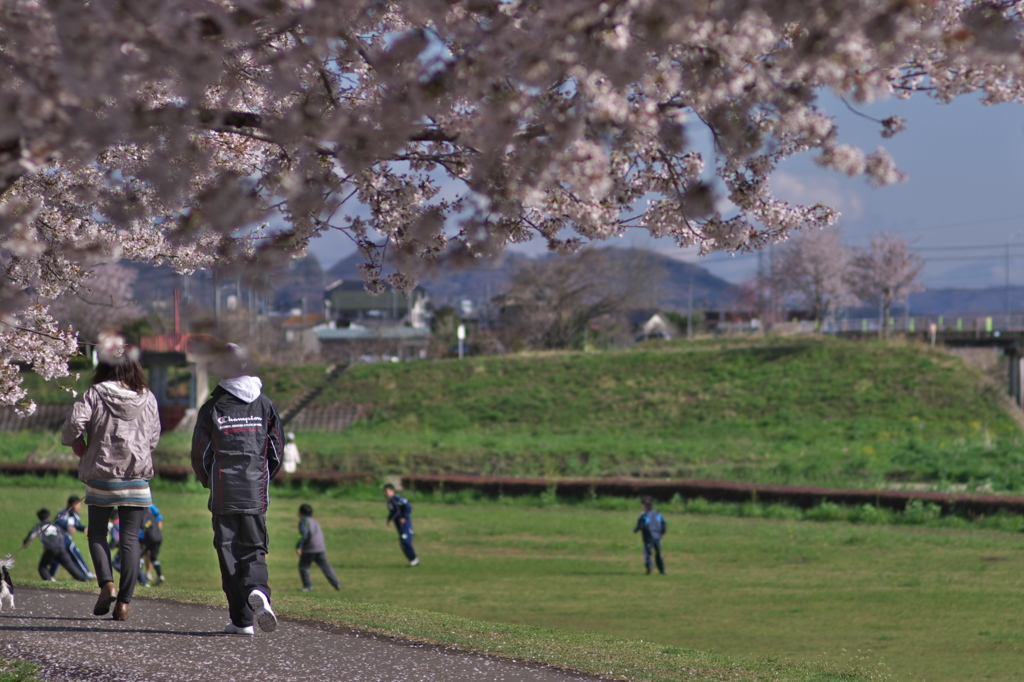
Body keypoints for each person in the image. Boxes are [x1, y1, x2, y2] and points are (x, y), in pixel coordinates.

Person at [191, 343, 283, 636]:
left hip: (224, 491)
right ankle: (259, 591)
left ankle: (242, 621)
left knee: (228, 552)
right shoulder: (265, 404)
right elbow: (276, 451)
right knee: (254, 548)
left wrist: (209, 481)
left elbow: (200, 454)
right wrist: (264, 477)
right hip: (255, 490)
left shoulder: (213, 407)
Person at [62, 355, 160, 621]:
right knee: (130, 539)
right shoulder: (147, 397)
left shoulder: (95, 393)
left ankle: (107, 584)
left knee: (96, 533)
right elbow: (153, 437)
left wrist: (76, 442)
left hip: (102, 475)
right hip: (136, 477)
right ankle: (125, 603)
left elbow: (73, 425)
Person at [22, 508, 88, 583]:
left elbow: (31, 536)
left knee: (42, 567)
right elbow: (63, 535)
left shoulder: (39, 526)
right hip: (61, 547)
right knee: (70, 566)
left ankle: (50, 580)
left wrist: (25, 544)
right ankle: (84, 579)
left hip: (50, 548)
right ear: (49, 517)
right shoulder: (54, 525)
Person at [49, 496, 95, 580]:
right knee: (74, 551)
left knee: (58, 558)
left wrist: (84, 528)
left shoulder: (76, 515)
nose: (79, 507)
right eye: (78, 505)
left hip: (65, 539)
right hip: (61, 538)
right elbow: (56, 522)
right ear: (72, 504)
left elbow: (77, 525)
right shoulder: (63, 513)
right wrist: (67, 526)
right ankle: (86, 573)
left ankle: (49, 577)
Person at [296, 504, 340, 591]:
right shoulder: (314, 521)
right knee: (325, 566)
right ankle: (336, 584)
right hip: (320, 546)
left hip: (310, 547)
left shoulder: (304, 521)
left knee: (303, 566)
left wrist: (299, 546)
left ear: (301, 513)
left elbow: (304, 534)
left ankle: (308, 586)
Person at [384, 484, 418, 566]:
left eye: (386, 491)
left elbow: (408, 507)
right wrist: (389, 519)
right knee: (403, 544)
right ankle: (413, 560)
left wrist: (403, 517)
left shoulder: (397, 499)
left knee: (405, 542)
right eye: (384, 492)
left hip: (405, 524)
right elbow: (394, 511)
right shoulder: (390, 501)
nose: (385, 493)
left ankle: (414, 559)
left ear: (392, 490)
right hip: (399, 525)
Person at [633, 496, 667, 575]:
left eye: (642, 505)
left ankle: (649, 566)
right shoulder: (658, 514)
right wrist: (663, 532)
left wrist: (635, 529)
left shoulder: (644, 515)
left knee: (647, 553)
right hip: (657, 537)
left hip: (648, 537)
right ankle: (662, 570)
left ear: (646, 506)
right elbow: (664, 523)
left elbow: (641, 525)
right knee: (658, 553)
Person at [140, 503, 164, 585]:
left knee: (141, 555)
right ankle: (158, 575)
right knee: (152, 557)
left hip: (148, 537)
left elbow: (158, 519)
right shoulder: (148, 510)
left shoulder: (148, 508)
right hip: (156, 537)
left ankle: (142, 577)